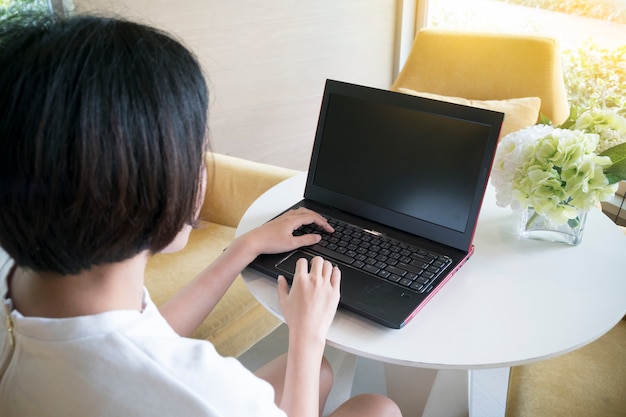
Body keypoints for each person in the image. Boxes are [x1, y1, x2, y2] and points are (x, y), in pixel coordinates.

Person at [0, 12, 402, 417]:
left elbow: (140, 341)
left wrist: (244, 248)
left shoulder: (23, 276)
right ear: (148, 184)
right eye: (194, 151)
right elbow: (149, 365)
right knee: (377, 408)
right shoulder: (207, 396)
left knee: (320, 376)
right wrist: (306, 337)